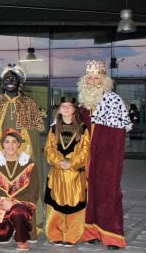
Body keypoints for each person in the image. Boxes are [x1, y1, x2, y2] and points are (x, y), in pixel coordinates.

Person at [78, 60, 132, 250]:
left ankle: (113, 236)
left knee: (108, 194)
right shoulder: (84, 103)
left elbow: (117, 136)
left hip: (107, 158)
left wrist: (110, 160)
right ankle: (91, 232)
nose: (93, 81)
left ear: (104, 79)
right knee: (90, 194)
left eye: (97, 77)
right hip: (88, 158)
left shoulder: (112, 100)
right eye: (90, 78)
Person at [0, 64, 45, 234]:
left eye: (13, 78)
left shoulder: (29, 104)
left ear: (20, 82)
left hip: (24, 158)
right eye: (6, 79)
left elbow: (34, 134)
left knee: (26, 188)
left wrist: (26, 153)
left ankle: (24, 223)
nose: (9, 81)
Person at [0, 128, 39, 251]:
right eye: (7, 142)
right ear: (2, 145)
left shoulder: (29, 164)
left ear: (19, 144)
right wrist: (1, 201)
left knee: (17, 211)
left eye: (14, 142)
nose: (10, 145)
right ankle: (8, 231)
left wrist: (13, 204)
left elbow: (34, 191)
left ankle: (21, 238)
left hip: (21, 210)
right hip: (1, 209)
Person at [44, 97, 91, 247]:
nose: (66, 109)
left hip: (75, 175)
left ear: (74, 109)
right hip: (57, 174)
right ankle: (55, 234)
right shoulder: (53, 128)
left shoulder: (83, 128)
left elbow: (85, 150)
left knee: (75, 206)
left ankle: (72, 235)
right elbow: (49, 149)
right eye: (63, 106)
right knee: (55, 205)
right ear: (59, 109)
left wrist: (71, 162)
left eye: (69, 106)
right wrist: (59, 162)